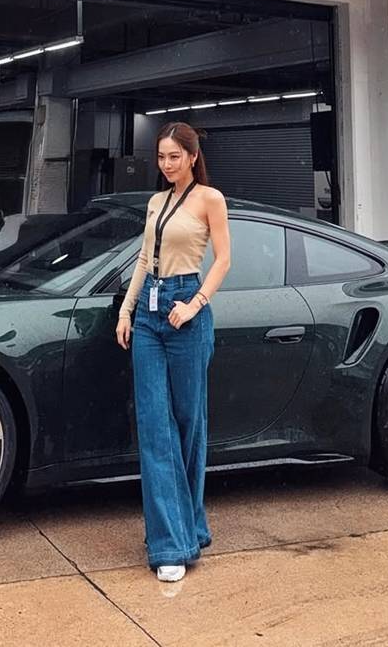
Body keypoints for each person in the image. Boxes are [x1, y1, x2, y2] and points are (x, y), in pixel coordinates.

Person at [115, 122, 231, 583]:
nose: (166, 164)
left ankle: (191, 528)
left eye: (174, 157)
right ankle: (169, 545)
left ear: (192, 156)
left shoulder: (210, 199)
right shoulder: (155, 202)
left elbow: (223, 260)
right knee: (154, 426)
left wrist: (195, 304)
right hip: (150, 312)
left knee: (188, 424)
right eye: (161, 157)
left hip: (187, 310)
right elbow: (145, 260)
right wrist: (126, 310)